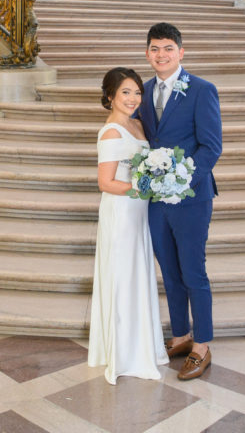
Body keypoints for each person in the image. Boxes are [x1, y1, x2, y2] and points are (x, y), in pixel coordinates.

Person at [138, 22, 222, 380]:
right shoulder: (140, 92)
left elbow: (211, 147)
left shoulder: (202, 90)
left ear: (181, 52)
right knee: (169, 273)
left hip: (190, 197)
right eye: (155, 49)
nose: (161, 55)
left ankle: (202, 345)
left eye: (168, 48)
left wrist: (182, 180)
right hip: (156, 200)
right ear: (147, 53)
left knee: (193, 271)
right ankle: (181, 335)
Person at [88, 67, 169, 384]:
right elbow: (105, 183)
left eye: (137, 92)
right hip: (122, 212)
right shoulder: (111, 132)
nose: (133, 98)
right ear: (110, 96)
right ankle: (124, 354)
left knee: (139, 274)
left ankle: (141, 345)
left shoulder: (137, 124)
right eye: (125, 92)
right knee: (123, 277)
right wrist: (142, 189)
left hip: (139, 213)